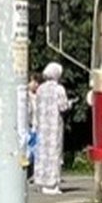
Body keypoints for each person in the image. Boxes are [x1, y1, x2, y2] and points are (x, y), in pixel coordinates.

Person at [34, 62, 72, 195]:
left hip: (41, 125)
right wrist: (70, 104)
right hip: (54, 125)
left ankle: (40, 181)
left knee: (42, 154)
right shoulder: (59, 89)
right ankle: (52, 184)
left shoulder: (40, 89)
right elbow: (63, 107)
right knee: (54, 154)